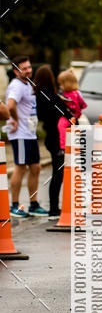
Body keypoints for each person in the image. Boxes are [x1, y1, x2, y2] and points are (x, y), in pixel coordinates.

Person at [5, 55, 47, 218]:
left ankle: (34, 204)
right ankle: (14, 205)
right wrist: (14, 119)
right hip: (20, 133)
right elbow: (10, 105)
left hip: (30, 133)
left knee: (36, 167)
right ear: (16, 71)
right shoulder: (16, 86)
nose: (28, 70)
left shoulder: (28, 84)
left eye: (29, 67)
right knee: (20, 167)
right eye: (24, 68)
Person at [33, 65, 71, 220]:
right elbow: (65, 114)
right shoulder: (52, 96)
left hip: (50, 136)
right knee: (58, 173)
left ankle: (54, 207)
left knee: (57, 172)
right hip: (57, 139)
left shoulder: (38, 95)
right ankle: (54, 208)